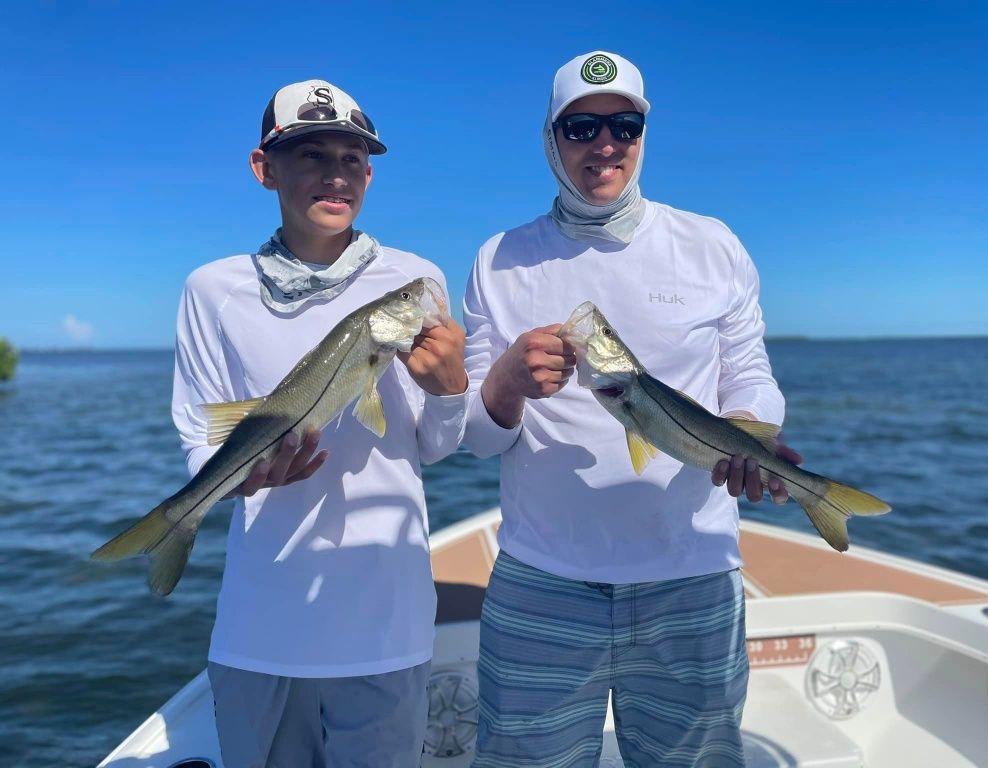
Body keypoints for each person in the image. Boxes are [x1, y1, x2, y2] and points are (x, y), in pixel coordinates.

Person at [461, 51, 801, 767]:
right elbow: (478, 438)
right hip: (541, 578)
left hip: (693, 570)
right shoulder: (499, 258)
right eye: (581, 127)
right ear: (550, 139)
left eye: (624, 124)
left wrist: (752, 433)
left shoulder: (713, 246)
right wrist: (504, 386)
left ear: (645, 133)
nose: (605, 144)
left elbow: (750, 375)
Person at [171, 79, 468, 767]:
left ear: (370, 171)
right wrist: (231, 484)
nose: (336, 174)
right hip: (259, 625)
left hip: (386, 623)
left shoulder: (416, 278)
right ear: (264, 166)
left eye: (352, 158)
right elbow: (198, 434)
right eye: (311, 154)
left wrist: (452, 393)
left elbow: (435, 444)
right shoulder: (213, 290)